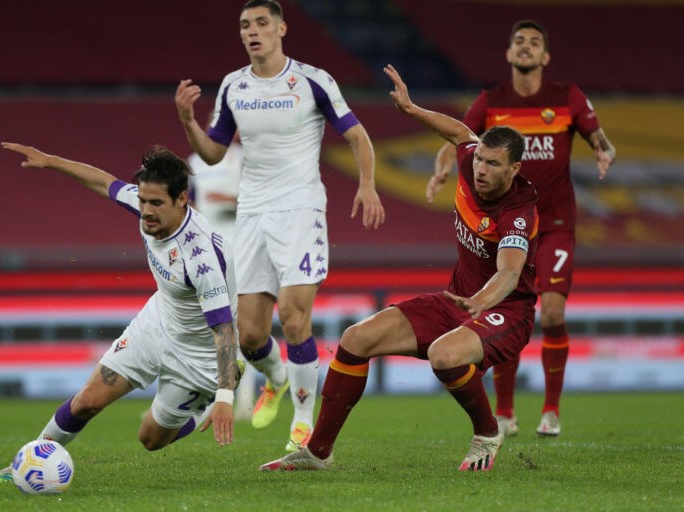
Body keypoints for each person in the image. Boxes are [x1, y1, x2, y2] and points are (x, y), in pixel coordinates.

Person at [260, 64, 538, 472]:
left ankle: (486, 431)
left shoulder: (518, 212)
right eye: (480, 159)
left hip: (505, 311)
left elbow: (510, 273)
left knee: (445, 355)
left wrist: (479, 302)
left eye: (493, 164)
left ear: (514, 170)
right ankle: (317, 452)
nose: (481, 169)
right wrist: (411, 110)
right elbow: (460, 132)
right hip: (456, 302)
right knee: (356, 339)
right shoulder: (469, 161)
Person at [175, 0, 385, 452]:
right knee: (250, 333)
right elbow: (212, 153)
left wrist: (367, 185)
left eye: (262, 23)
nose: (253, 32)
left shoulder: (312, 80)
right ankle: (276, 377)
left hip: (301, 209)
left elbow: (356, 134)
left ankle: (304, 422)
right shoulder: (233, 86)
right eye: (245, 25)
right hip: (252, 213)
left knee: (293, 315)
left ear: (281, 28)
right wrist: (188, 122)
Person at [0, 142, 241, 483]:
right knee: (87, 401)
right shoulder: (149, 209)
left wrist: (224, 396)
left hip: (199, 357)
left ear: (182, 199)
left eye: (156, 203)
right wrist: (51, 160)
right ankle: (26, 462)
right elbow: (102, 182)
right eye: (143, 201)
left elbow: (223, 329)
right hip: (157, 324)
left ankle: (202, 405)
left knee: (150, 439)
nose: (146, 211)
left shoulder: (202, 258)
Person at [428, 20, 616, 437]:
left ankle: (551, 410)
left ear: (546, 57)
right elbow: (456, 138)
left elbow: (599, 137)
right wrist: (442, 171)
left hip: (553, 226)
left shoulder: (567, 97)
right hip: (506, 228)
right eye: (519, 42)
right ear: (509, 54)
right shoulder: (491, 101)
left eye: (534, 42)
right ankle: (507, 413)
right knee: (503, 309)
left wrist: (604, 150)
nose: (526, 47)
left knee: (551, 312)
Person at [187, 138, 258, 421]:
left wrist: (227, 200)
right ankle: (198, 401)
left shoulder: (246, 159)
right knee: (201, 326)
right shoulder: (193, 163)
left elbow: (261, 200)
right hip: (205, 253)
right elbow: (187, 203)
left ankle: (245, 401)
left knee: (240, 327)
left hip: (240, 249)